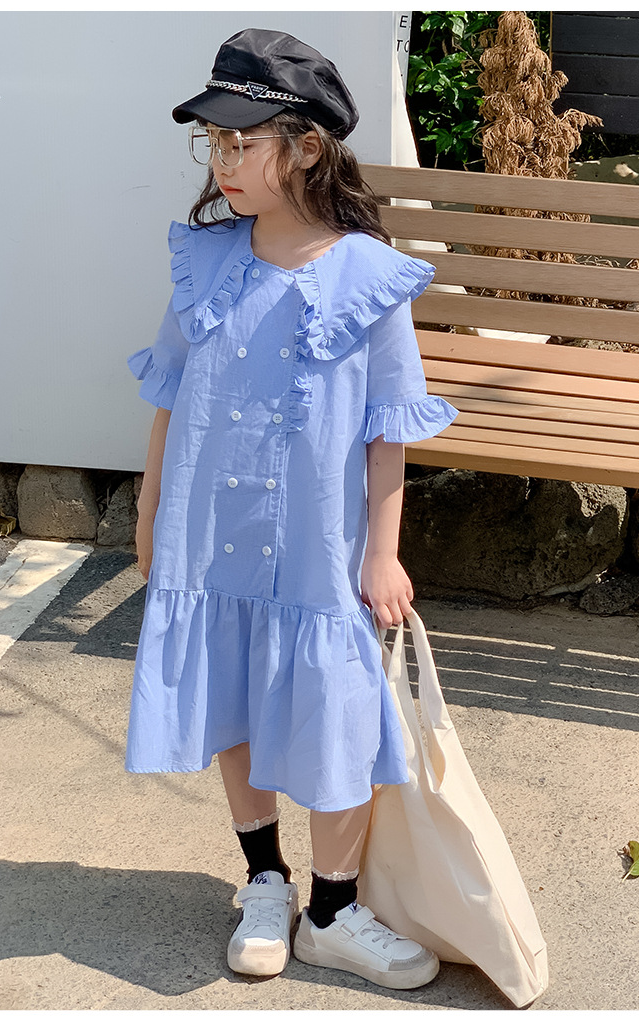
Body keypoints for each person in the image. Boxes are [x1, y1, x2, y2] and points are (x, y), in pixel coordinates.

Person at [126, 27, 458, 990]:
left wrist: (383, 551)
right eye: (214, 143)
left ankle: (333, 909)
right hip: (212, 533)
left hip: (320, 543)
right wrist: (151, 510)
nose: (223, 162)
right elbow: (169, 396)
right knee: (232, 686)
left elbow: (389, 427)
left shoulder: (369, 276)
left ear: (306, 146)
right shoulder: (206, 263)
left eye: (243, 141)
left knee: (338, 711)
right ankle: (264, 878)